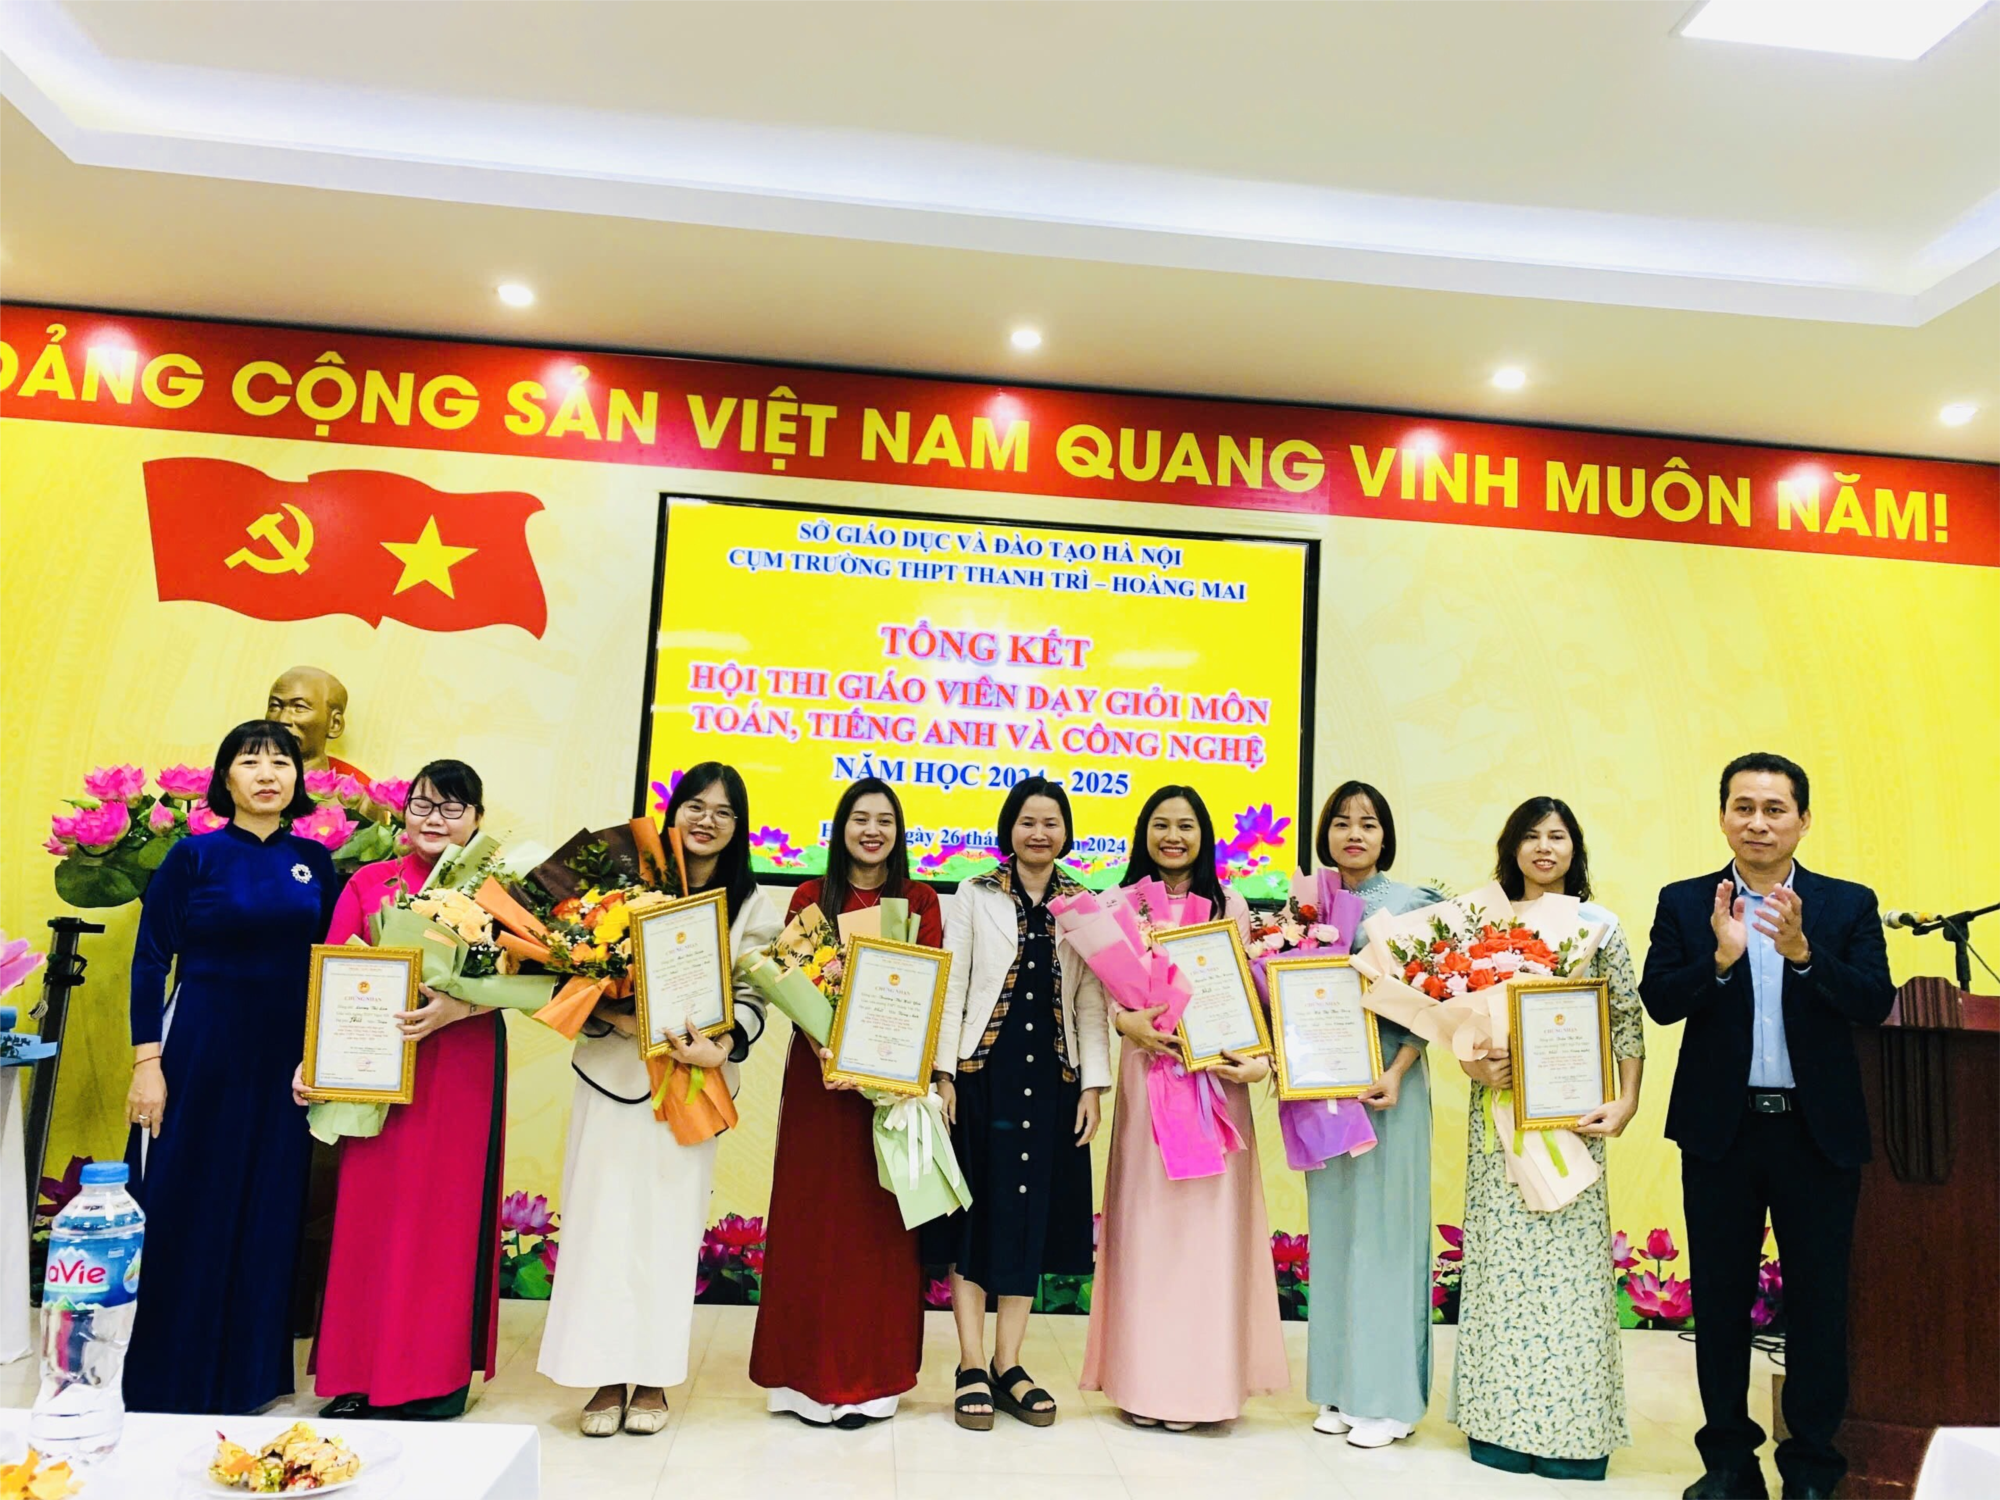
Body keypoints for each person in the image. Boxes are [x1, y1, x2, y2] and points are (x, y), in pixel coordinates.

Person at [1640, 753, 1893, 1500]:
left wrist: (1804, 955)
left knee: (1818, 1304)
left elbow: (1873, 1001)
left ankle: (1812, 1468)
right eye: (1743, 807)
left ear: (1803, 821)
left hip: (1817, 1134)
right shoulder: (1686, 901)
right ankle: (1728, 1465)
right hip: (1722, 1131)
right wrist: (1720, 960)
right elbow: (1660, 1001)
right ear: (1723, 816)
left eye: (1774, 809)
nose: (1758, 822)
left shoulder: (1846, 904)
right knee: (1720, 1303)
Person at [539, 763, 780, 1436]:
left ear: (738, 828)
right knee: (601, 1224)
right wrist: (613, 1017)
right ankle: (603, 1376)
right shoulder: (621, 885)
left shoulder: (752, 906)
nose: (707, 820)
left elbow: (757, 996)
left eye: (724, 812)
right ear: (672, 814)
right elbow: (567, 969)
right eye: (695, 806)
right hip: (611, 1077)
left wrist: (721, 1048)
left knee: (669, 1233)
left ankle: (651, 1378)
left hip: (690, 1087)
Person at [121, 720, 337, 1414]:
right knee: (185, 1203)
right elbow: (150, 961)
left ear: (299, 779)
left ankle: (250, 1379)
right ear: (225, 779)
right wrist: (147, 1063)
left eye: (282, 763)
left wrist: (326, 1057)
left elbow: (335, 965)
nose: (268, 775)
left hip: (284, 1066)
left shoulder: (316, 862)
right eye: (250, 762)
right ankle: (164, 1377)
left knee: (269, 1208)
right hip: (198, 1051)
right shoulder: (193, 857)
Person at [299, 760, 509, 1420]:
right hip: (376, 1067)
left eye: (451, 808)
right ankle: (357, 1374)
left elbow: (532, 977)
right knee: (368, 1215)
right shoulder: (369, 883)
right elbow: (334, 977)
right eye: (422, 804)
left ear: (477, 819)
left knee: (445, 1218)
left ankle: (436, 1379)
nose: (433, 819)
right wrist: (313, 1063)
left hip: (462, 1062)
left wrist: (460, 1007)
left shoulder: (499, 889)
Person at [1078, 784, 1287, 1428]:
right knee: (1148, 1228)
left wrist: (1256, 1057)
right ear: (1144, 833)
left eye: (1186, 825)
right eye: (1162, 825)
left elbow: (1251, 998)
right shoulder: (1116, 907)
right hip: (1148, 1083)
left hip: (1216, 1084)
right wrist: (1127, 1023)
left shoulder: (1232, 906)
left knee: (1209, 1232)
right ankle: (1144, 1385)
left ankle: (1203, 1389)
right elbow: (1099, 999)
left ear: (1205, 836)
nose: (1173, 836)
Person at [1450, 797, 1646, 1481]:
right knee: (1502, 1276)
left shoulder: (1599, 926)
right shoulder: (1481, 925)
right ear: (1512, 847)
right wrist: (1474, 1062)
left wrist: (1627, 1101)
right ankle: (1499, 1427)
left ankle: (1574, 1434)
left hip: (1571, 1120)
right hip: (1499, 1121)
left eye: (1557, 836)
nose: (1544, 847)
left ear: (1574, 849)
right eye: (1531, 836)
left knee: (1572, 1279)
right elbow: (1456, 1021)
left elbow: (1625, 1019)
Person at [750, 777, 943, 1426]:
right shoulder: (811, 897)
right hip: (821, 1083)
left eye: (885, 820)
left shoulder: (919, 900)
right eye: (860, 818)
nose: (872, 830)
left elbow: (926, 988)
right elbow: (791, 983)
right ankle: (802, 1382)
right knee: (815, 1221)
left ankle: (875, 1379)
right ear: (842, 828)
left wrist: (886, 1067)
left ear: (898, 831)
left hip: (891, 1089)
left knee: (880, 1228)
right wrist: (829, 1050)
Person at [930, 776, 1110, 1430]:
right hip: (983, 1075)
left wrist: (1092, 1086)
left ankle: (1008, 1363)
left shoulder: (1083, 905)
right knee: (975, 1217)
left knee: (1029, 1219)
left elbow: (1090, 1001)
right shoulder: (974, 894)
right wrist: (943, 1075)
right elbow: (952, 985)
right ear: (1009, 829)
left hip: (1052, 1081)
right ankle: (969, 1364)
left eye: (1051, 823)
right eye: (1028, 821)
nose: (1039, 833)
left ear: (1066, 833)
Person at [1304, 780, 1440, 1448]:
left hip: (1390, 1085)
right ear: (1324, 833)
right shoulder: (1305, 906)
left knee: (1387, 1236)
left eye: (1368, 823)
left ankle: (1389, 1401)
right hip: (1325, 1089)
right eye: (1341, 821)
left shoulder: (1414, 904)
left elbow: (1436, 998)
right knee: (1335, 1234)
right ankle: (1340, 1386)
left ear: (1386, 835)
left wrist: (1398, 1069)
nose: (1354, 833)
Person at [266, 665, 365, 778]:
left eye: (299, 707)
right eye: (275, 706)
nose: (282, 719)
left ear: (334, 724)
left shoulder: (346, 788)